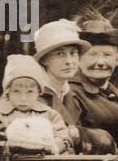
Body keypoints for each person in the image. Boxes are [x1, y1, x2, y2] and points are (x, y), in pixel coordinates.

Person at [66, 9, 118, 153]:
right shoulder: (70, 93)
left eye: (107, 55)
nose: (101, 62)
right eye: (93, 54)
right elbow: (71, 139)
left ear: (117, 59)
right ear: (78, 58)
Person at [0, 54, 71, 154]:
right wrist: (2, 146)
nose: (23, 98)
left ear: (39, 92)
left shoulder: (49, 113)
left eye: (30, 92)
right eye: (16, 91)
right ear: (8, 92)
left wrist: (54, 147)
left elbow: (63, 137)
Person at [32, 18, 93, 152]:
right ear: (44, 60)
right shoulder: (33, 96)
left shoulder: (71, 95)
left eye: (73, 53)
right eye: (60, 54)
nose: (69, 61)